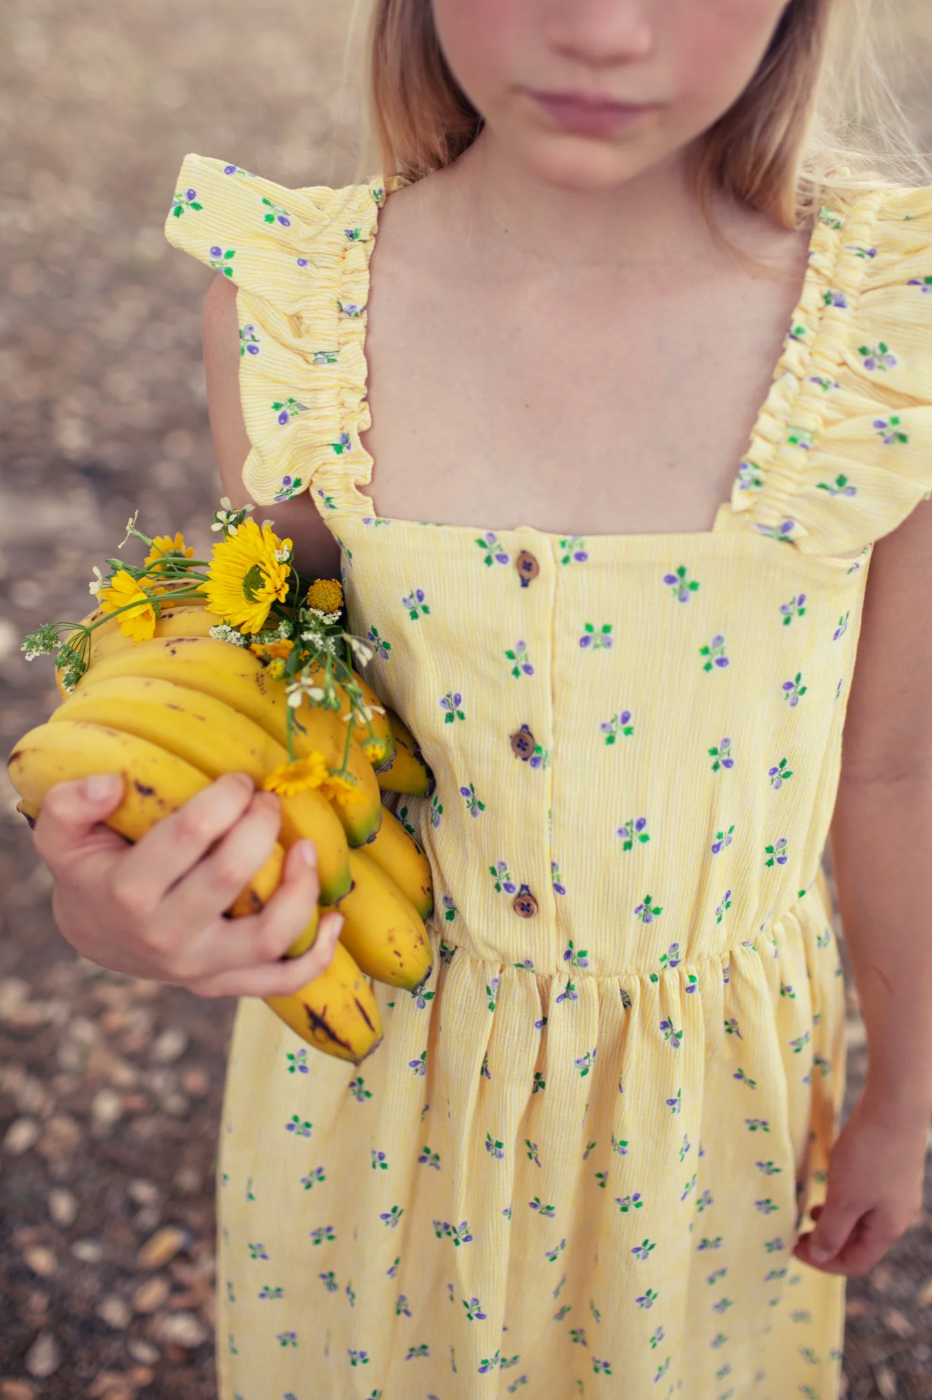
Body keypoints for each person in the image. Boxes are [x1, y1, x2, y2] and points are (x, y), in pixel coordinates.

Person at [32, 1, 932, 1396]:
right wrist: (116, 906)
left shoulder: (887, 339)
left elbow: (892, 771)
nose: (603, 28)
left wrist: (904, 1099)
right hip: (374, 1118)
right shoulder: (300, 312)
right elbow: (256, 700)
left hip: (710, 1127)